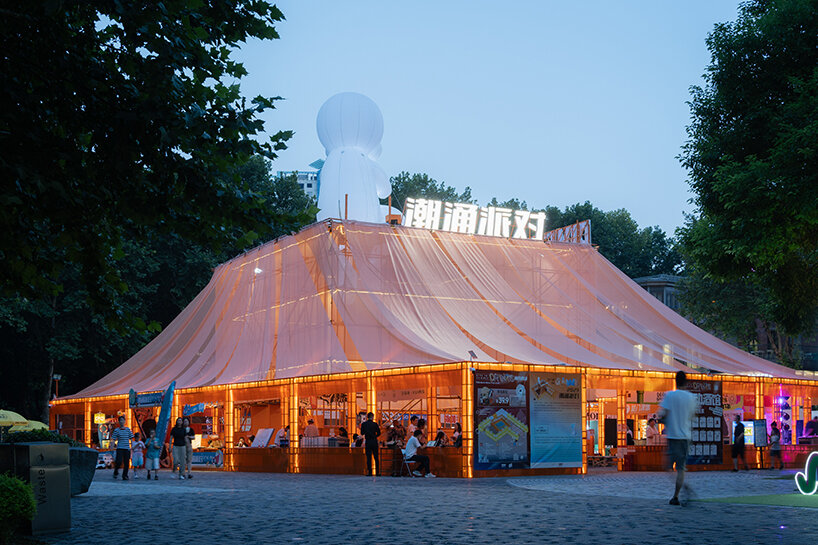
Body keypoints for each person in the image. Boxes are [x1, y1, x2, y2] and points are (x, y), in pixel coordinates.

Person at [657, 371, 697, 506]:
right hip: (685, 436)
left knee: (667, 467)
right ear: (686, 382)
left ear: (675, 381)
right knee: (681, 468)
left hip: (673, 436)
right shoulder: (691, 397)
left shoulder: (670, 395)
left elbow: (663, 414)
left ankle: (680, 491)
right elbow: (692, 416)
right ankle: (676, 495)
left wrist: (663, 420)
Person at [110, 416, 134, 481]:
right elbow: (113, 439)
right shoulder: (116, 430)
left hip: (127, 448)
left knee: (126, 463)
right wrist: (111, 446)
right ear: (119, 421)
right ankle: (116, 471)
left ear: (125, 421)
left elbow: (131, 438)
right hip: (120, 448)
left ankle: (125, 475)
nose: (121, 422)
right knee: (119, 461)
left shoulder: (128, 430)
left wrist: (132, 447)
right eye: (120, 420)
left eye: (123, 420)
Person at [360, 412, 381, 476]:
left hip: (368, 441)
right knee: (376, 457)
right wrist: (375, 436)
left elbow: (362, 433)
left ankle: (369, 472)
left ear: (367, 417)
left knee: (368, 457)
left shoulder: (364, 424)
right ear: (373, 417)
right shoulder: (375, 424)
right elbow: (379, 433)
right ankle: (377, 472)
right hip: (374, 441)